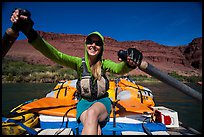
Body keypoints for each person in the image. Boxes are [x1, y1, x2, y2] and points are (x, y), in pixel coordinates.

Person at [10, 8, 143, 135]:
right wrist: (30, 33)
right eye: (90, 42)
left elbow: (119, 69)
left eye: (97, 43)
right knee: (93, 125)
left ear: (101, 47)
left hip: (102, 102)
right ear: (86, 45)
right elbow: (55, 55)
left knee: (92, 115)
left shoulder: (104, 64)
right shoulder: (79, 63)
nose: (93, 45)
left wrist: (129, 64)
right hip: (83, 103)